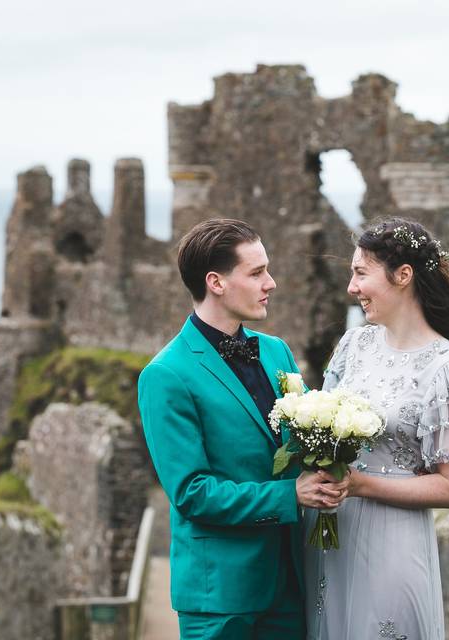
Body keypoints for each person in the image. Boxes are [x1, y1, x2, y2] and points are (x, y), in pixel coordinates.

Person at [138, 218, 350, 640]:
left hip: (292, 581)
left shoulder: (277, 352)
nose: (270, 283)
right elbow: (191, 492)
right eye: (256, 273)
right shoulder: (165, 375)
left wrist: (332, 468)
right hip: (220, 596)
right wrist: (290, 494)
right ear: (215, 282)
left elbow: (305, 440)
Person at [304, 217, 449, 639]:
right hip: (328, 539)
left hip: (392, 541)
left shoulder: (446, 370)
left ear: (403, 276)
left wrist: (360, 485)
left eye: (360, 273)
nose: (351, 289)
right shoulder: (354, 346)